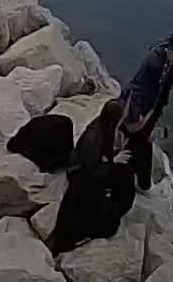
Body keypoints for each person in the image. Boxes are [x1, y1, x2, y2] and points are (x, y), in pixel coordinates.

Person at [51, 100, 137, 254]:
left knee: (126, 173)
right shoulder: (93, 137)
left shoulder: (105, 126)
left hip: (94, 171)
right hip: (84, 179)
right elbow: (90, 169)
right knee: (108, 221)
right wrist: (112, 161)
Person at [121, 33, 173, 191]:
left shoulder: (171, 64)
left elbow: (165, 91)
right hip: (137, 107)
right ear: (170, 50)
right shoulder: (154, 61)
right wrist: (137, 115)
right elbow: (139, 88)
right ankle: (130, 180)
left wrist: (157, 118)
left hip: (152, 108)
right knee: (133, 141)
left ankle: (142, 182)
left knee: (143, 143)